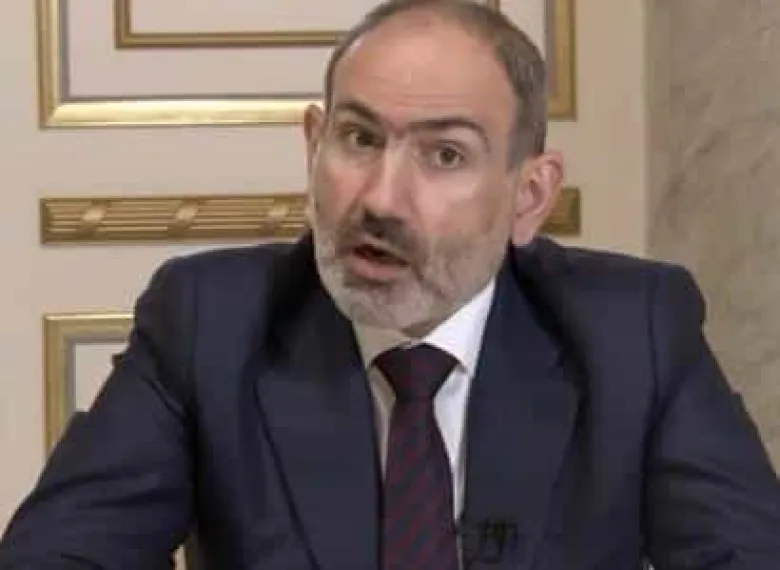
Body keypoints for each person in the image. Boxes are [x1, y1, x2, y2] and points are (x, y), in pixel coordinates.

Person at [2, 0, 780, 568]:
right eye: (358, 138)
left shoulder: (633, 332)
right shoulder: (208, 322)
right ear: (313, 144)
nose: (380, 199)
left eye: (445, 155)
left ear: (529, 195)